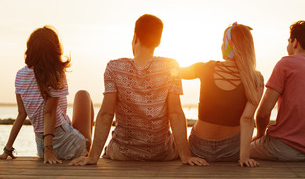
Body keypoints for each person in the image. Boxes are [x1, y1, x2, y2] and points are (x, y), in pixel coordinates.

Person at [69, 14, 208, 166]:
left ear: (135, 36)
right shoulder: (171, 67)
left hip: (123, 153)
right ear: (159, 41)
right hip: (161, 153)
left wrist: (93, 157)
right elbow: (176, 113)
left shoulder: (114, 68)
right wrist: (186, 157)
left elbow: (106, 113)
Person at [0, 26, 94, 164]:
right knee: (83, 95)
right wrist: (49, 150)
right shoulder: (56, 73)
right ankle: (85, 152)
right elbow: (49, 112)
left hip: (41, 148)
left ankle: (79, 148)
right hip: (65, 145)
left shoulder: (20, 75)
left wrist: (7, 150)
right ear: (55, 49)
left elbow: (21, 114)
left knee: (67, 119)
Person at [181, 23, 264, 167]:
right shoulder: (255, 79)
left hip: (199, 148)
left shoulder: (205, 67)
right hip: (233, 150)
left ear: (226, 46)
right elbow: (247, 119)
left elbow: (174, 72)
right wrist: (244, 157)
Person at [251, 20, 305, 161]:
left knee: (237, 150)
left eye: (288, 41)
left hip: (283, 148)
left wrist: (259, 135)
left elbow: (264, 112)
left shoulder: (286, 63)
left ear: (295, 42)